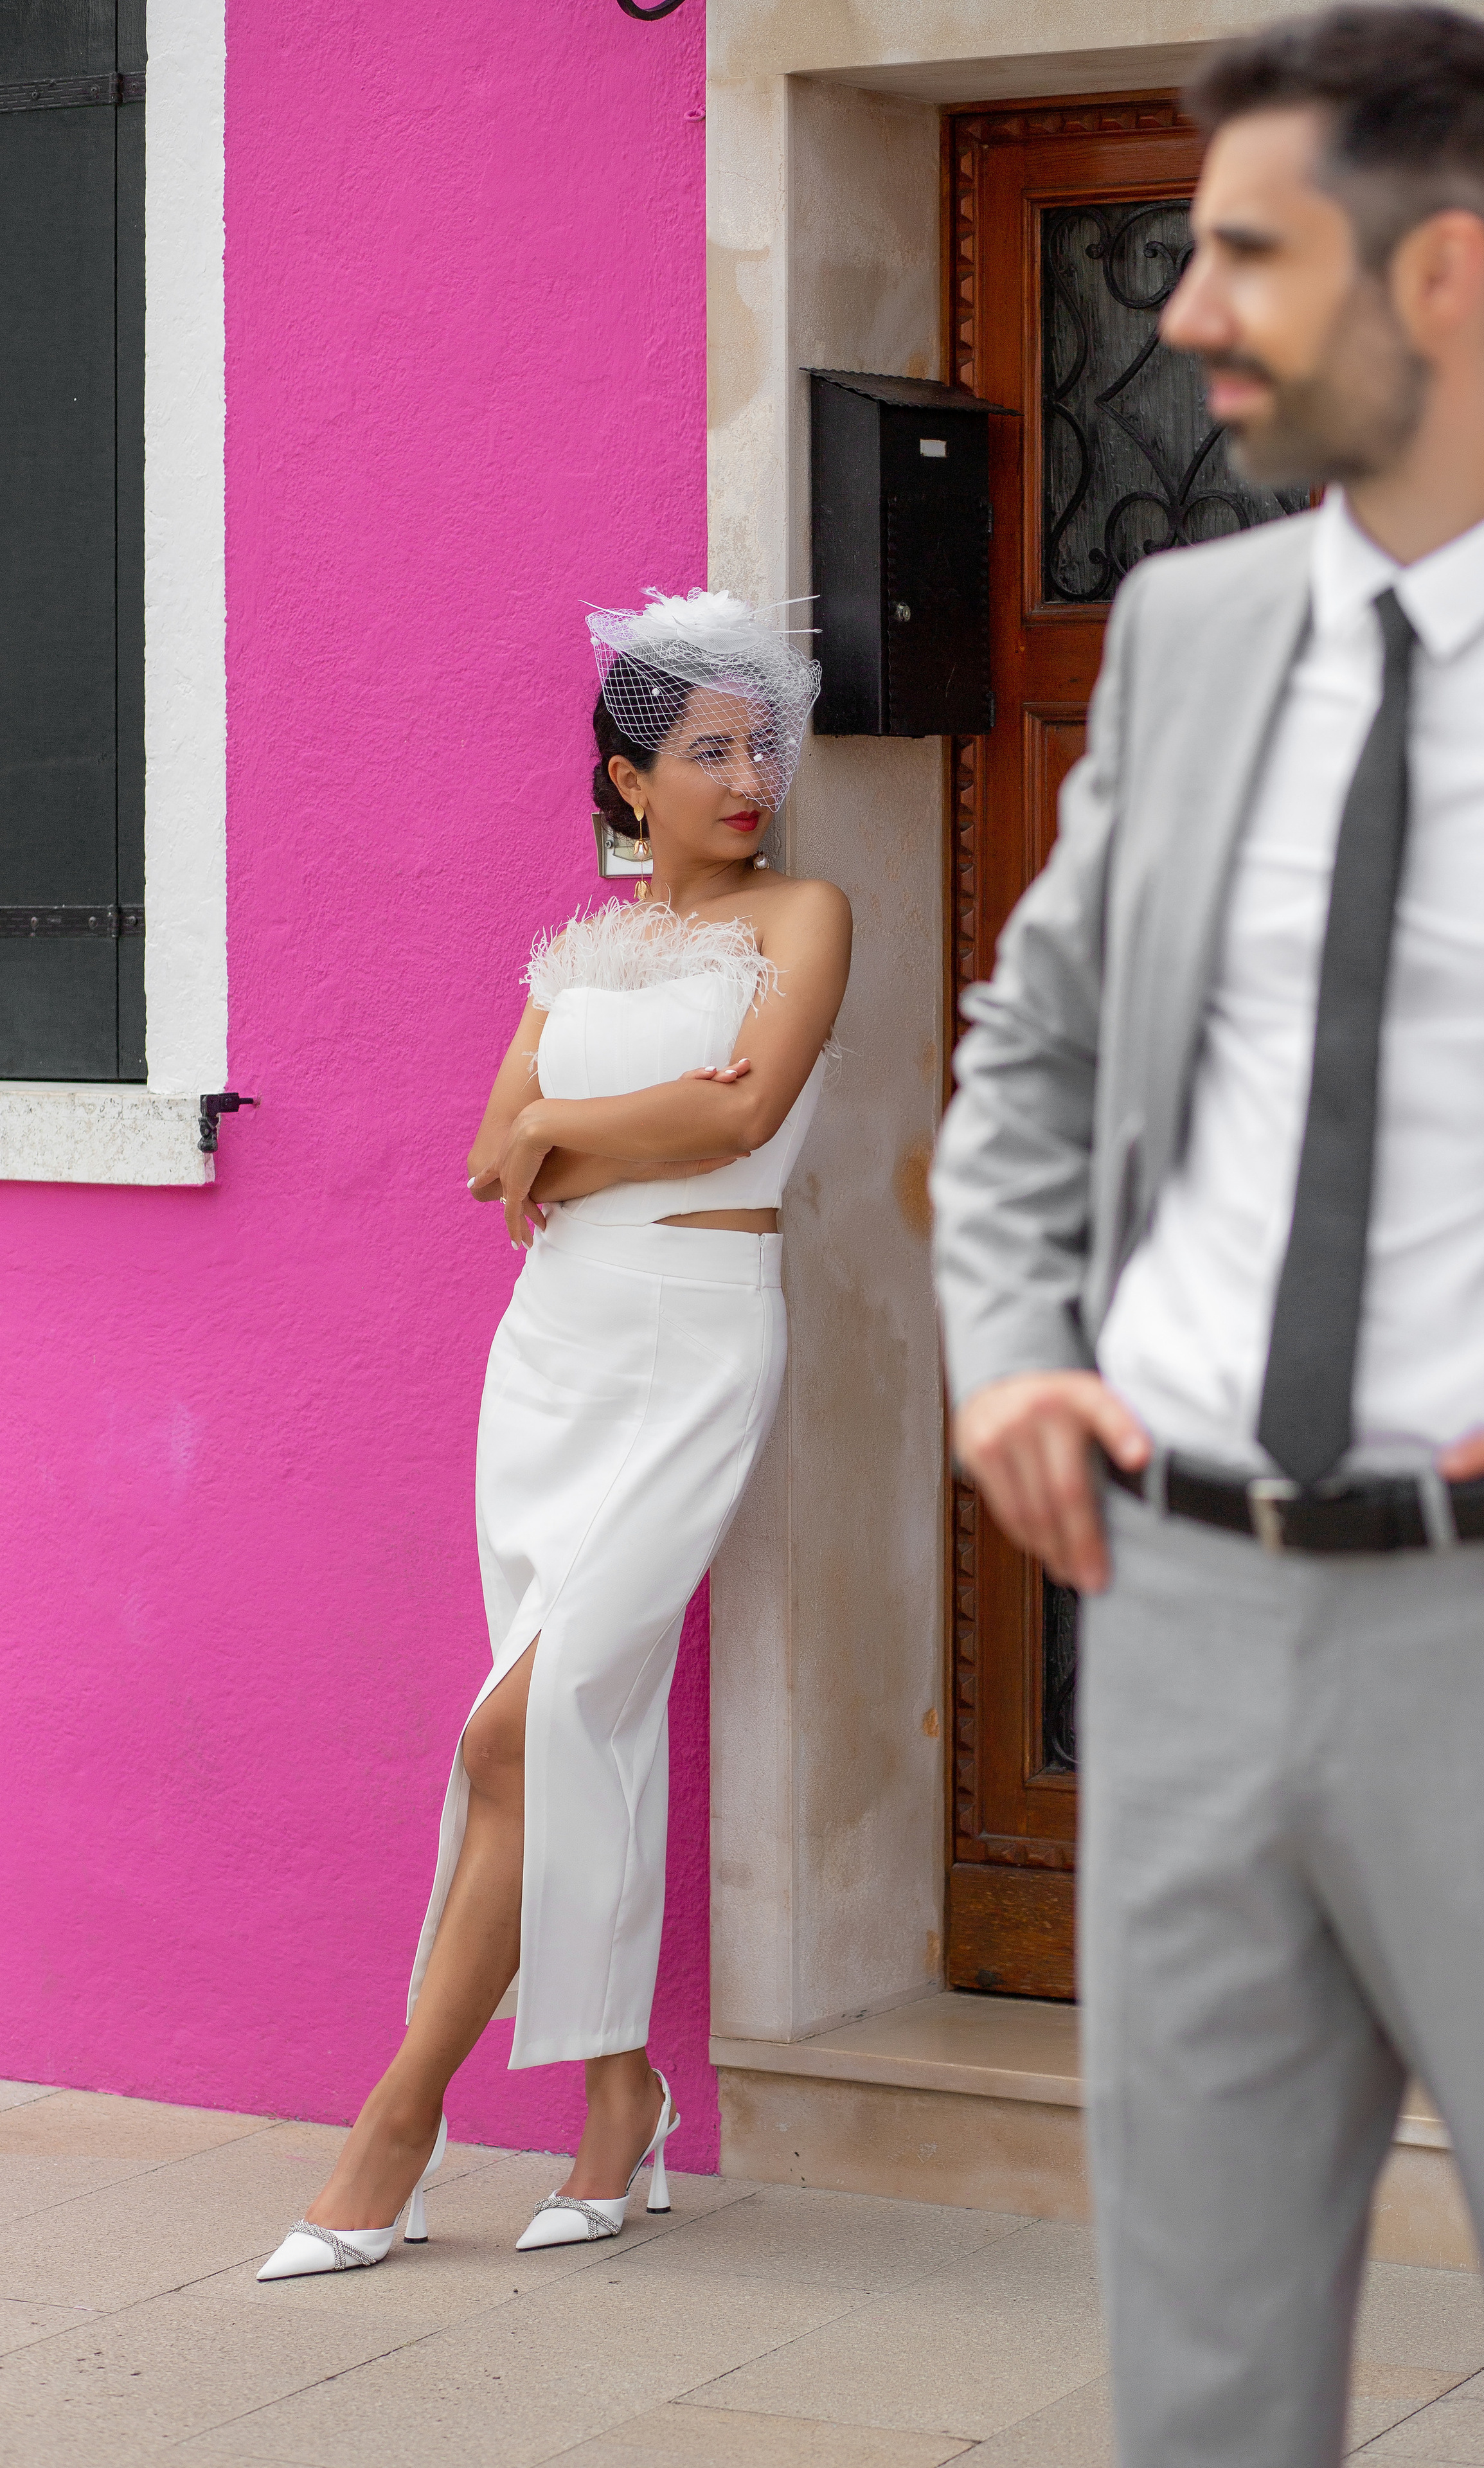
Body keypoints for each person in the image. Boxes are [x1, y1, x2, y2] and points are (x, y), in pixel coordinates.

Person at [931, 12, 1484, 2463]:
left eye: (1246, 250)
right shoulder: (1193, 634)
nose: (1185, 311)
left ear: (1441, 276)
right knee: (1202, 2391)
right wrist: (1009, 1343)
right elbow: (1032, 1052)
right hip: (1186, 1610)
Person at [260, 590, 850, 2280]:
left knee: (523, 1727)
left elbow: (739, 1108)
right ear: (629, 778)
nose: (748, 778)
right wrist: (554, 1138)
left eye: (762, 746)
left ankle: (395, 2126)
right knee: (573, 1734)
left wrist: (560, 1132)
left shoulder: (809, 912)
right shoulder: (573, 954)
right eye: (708, 752)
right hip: (553, 1358)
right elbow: (474, 1158)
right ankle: (619, 2100)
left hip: (694, 1338)